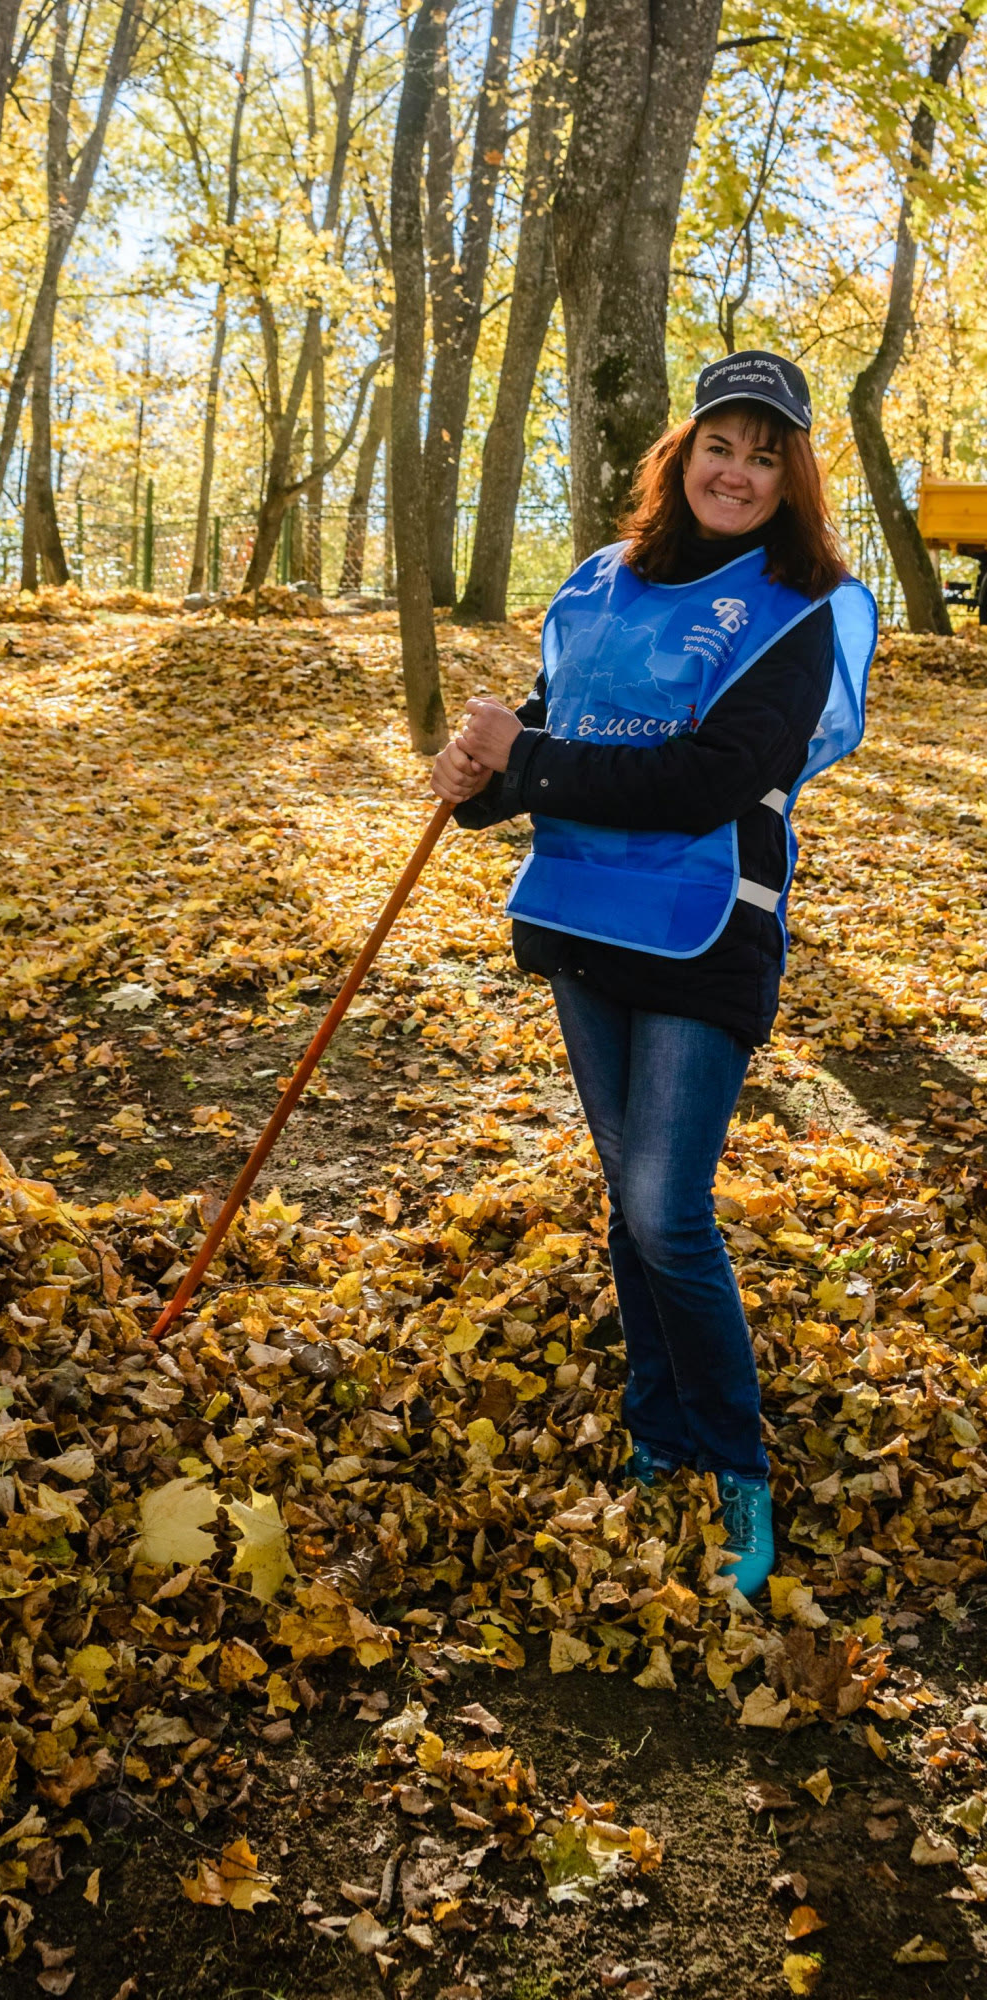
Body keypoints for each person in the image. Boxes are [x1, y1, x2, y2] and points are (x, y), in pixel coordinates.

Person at [432, 351, 878, 1601]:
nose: (735, 470)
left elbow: (701, 780)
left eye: (763, 451)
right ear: (679, 457)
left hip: (704, 926)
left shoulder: (802, 605)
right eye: (717, 444)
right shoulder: (600, 584)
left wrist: (530, 760)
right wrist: (474, 776)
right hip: (585, 919)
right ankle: (659, 1433)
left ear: (792, 475)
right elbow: (544, 740)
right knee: (630, 1201)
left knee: (669, 1210)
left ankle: (734, 1461)